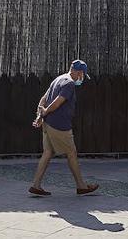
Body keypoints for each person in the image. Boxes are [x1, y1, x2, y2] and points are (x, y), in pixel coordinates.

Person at [29, 59, 99, 196]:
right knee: (71, 153)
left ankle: (36, 186)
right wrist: (45, 112)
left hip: (48, 123)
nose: (82, 78)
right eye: (83, 74)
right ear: (79, 72)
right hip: (59, 125)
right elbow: (57, 102)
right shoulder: (69, 84)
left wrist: (40, 116)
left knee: (48, 152)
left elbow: (43, 99)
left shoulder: (58, 79)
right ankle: (81, 186)